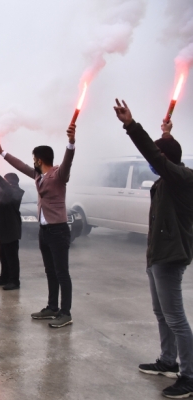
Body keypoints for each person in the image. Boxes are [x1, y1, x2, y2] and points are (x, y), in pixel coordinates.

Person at [114, 99, 193, 398]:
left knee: (176, 318)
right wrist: (167, 133)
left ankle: (189, 376)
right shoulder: (166, 180)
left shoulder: (181, 179)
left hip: (171, 256)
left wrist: (131, 125)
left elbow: (157, 155)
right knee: (161, 313)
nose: (153, 163)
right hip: (157, 255)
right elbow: (163, 155)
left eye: (159, 158)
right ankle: (168, 361)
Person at [0, 124, 76, 328]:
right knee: (50, 270)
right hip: (45, 231)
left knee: (62, 272)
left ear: (39, 159)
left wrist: (71, 142)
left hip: (58, 230)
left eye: (34, 159)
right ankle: (52, 307)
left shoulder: (58, 175)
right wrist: (2, 152)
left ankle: (65, 313)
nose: (32, 162)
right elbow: (20, 166)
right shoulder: (38, 176)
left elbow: (68, 161)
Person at [0, 166, 24, 290]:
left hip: (12, 228)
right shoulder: (5, 191)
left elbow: (5, 187)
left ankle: (14, 281)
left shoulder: (16, 192)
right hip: (3, 228)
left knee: (12, 256)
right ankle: (4, 277)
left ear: (11, 182)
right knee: (3, 255)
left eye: (5, 180)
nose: (3, 182)